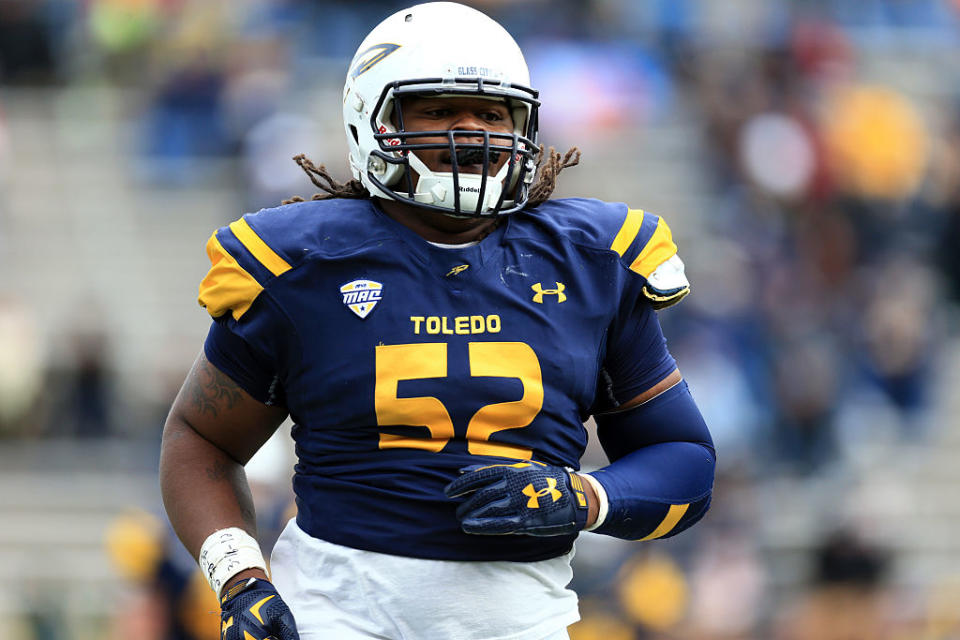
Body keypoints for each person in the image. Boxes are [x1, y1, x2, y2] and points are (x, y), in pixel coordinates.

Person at [159, 3, 716, 639]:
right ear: (375, 118)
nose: (471, 131)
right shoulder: (304, 264)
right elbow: (201, 439)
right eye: (438, 109)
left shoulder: (590, 262)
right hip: (333, 614)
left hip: (521, 622)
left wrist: (583, 498)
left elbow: (684, 461)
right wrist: (240, 579)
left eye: (492, 113)